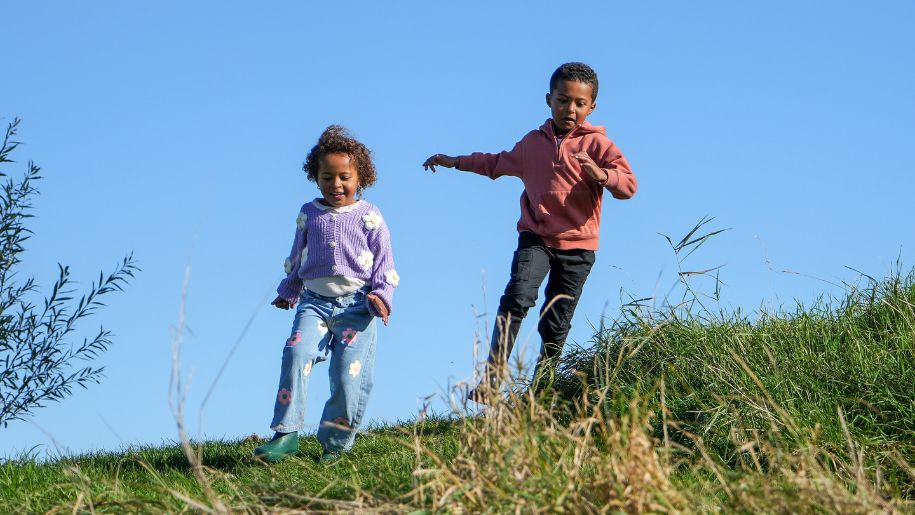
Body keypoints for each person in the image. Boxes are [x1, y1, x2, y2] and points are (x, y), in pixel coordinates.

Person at [422, 62, 637, 401]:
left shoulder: (599, 146)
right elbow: (493, 163)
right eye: (563, 100)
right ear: (549, 99)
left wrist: (602, 175)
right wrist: (455, 161)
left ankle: (541, 392)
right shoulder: (532, 144)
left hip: (578, 247)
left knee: (555, 321)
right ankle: (492, 379)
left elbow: (628, 187)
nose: (571, 109)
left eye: (580, 103)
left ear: (591, 107)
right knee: (517, 298)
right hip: (536, 238)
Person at [254, 125, 398, 463]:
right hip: (313, 304)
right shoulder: (309, 213)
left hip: (357, 307)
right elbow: (297, 256)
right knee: (295, 354)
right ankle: (286, 434)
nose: (336, 184)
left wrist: (381, 295)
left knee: (348, 377)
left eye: (344, 177)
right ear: (316, 178)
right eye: (327, 177)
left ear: (360, 178)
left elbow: (385, 261)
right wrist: (289, 290)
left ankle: (335, 445)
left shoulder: (370, 216)